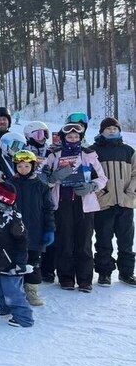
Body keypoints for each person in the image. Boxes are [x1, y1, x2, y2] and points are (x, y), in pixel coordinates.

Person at [43, 122, 107, 292]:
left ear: (80, 138)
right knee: (64, 240)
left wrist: (91, 186)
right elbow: (44, 180)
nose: (73, 139)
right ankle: (66, 277)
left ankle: (85, 279)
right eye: (69, 137)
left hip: (84, 203)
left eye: (76, 137)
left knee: (84, 241)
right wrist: (55, 177)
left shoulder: (89, 154)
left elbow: (102, 178)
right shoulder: (54, 156)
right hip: (63, 203)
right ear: (63, 138)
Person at [0, 182, 34, 327]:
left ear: (0, 200)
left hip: (10, 263)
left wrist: (20, 263)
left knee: (13, 292)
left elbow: (22, 242)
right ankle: (5, 307)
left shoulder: (13, 218)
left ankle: (24, 317)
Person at [90, 117, 136, 287]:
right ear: (101, 131)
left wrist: (130, 193)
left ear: (119, 131)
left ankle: (126, 273)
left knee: (126, 240)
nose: (111, 131)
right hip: (104, 203)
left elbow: (135, 174)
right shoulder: (93, 151)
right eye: (108, 128)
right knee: (103, 239)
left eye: (114, 128)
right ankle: (104, 273)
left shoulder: (128, 151)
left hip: (125, 203)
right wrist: (101, 193)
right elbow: (90, 175)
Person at [9, 150, 55, 306]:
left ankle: (32, 291)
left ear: (33, 166)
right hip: (14, 231)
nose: (23, 169)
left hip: (35, 231)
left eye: (27, 166)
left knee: (33, 262)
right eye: (20, 166)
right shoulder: (10, 185)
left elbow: (48, 209)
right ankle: (15, 291)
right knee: (15, 261)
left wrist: (50, 229)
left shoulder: (41, 187)